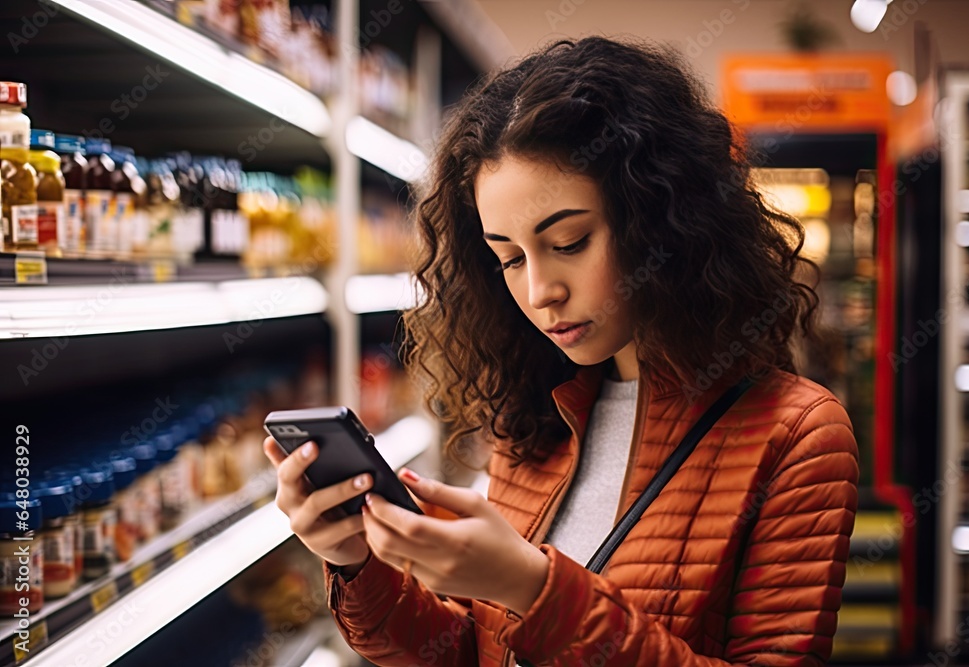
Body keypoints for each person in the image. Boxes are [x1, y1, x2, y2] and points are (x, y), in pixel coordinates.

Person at [263, 36, 859, 667]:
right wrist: (354, 560)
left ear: (659, 221)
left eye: (570, 242)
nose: (539, 290)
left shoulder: (796, 436)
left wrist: (531, 589)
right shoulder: (536, 414)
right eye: (509, 258)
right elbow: (466, 652)